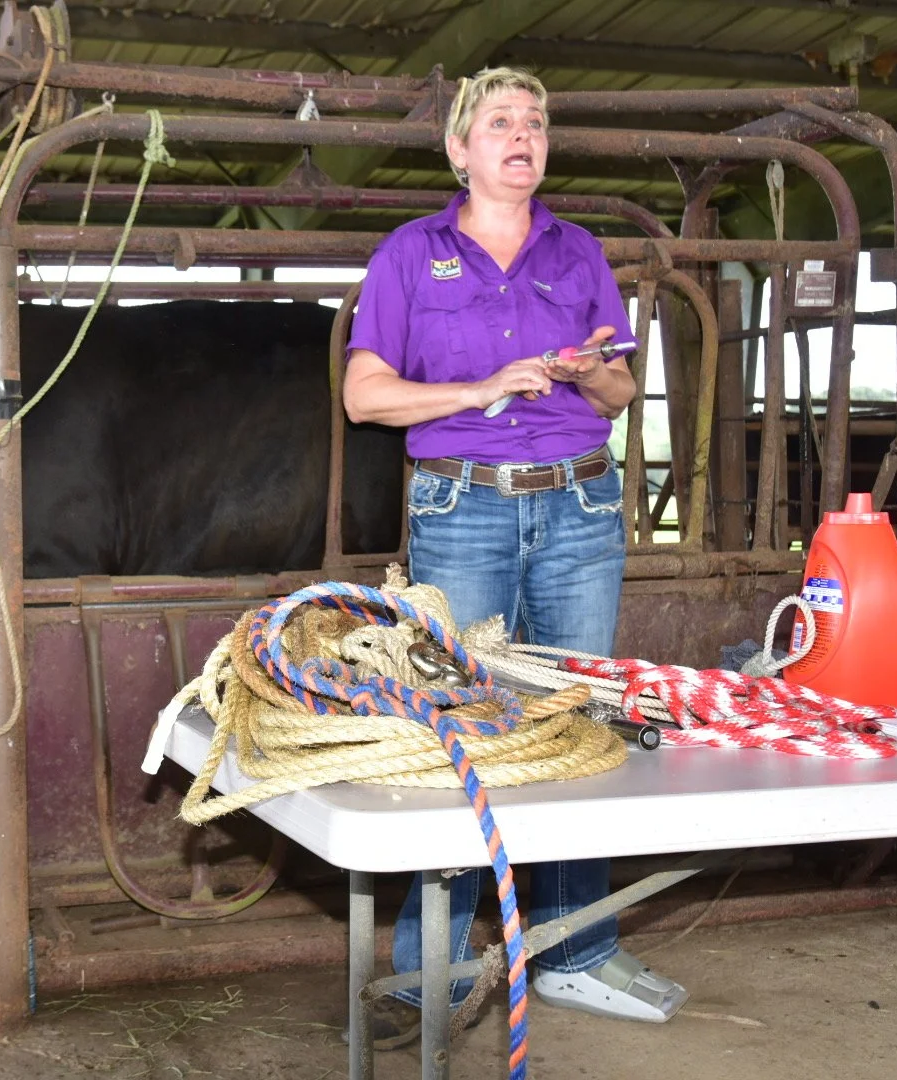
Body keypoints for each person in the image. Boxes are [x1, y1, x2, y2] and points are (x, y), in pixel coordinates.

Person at [341, 66, 688, 1047]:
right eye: (501, 121)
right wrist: (484, 384)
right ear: (460, 149)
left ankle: (576, 950)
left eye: (535, 120)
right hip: (464, 508)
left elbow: (622, 395)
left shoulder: (578, 253)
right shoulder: (411, 256)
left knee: (577, 719)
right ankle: (432, 969)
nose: (522, 133)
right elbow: (367, 397)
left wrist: (596, 372)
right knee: (465, 732)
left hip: (579, 500)